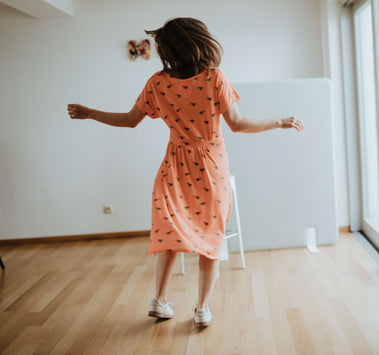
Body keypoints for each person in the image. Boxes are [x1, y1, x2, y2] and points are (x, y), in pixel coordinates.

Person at [67, 17, 304, 326]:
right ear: (198, 42)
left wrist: (90, 113)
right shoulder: (214, 78)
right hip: (211, 167)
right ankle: (202, 309)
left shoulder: (157, 82)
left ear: (170, 49)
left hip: (174, 166)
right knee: (210, 237)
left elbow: (129, 120)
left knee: (170, 233)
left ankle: (160, 300)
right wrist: (280, 121)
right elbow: (239, 125)